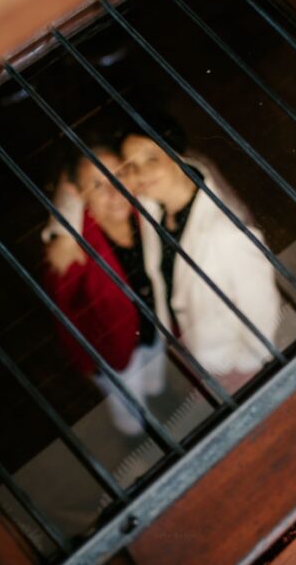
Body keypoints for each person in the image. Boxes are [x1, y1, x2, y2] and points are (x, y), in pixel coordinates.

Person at [119, 121, 280, 393]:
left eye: (151, 158)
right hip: (190, 353)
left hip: (234, 369)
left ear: (177, 154)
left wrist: (239, 368)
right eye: (132, 166)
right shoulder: (152, 208)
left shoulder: (227, 232)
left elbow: (263, 318)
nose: (141, 173)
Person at [42, 142, 170, 435]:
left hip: (156, 329)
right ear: (80, 195)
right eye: (98, 185)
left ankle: (157, 394)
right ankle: (135, 434)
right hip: (114, 356)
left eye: (119, 175)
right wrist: (86, 364)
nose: (115, 192)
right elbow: (64, 316)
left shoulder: (145, 209)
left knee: (155, 376)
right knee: (129, 409)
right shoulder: (71, 249)